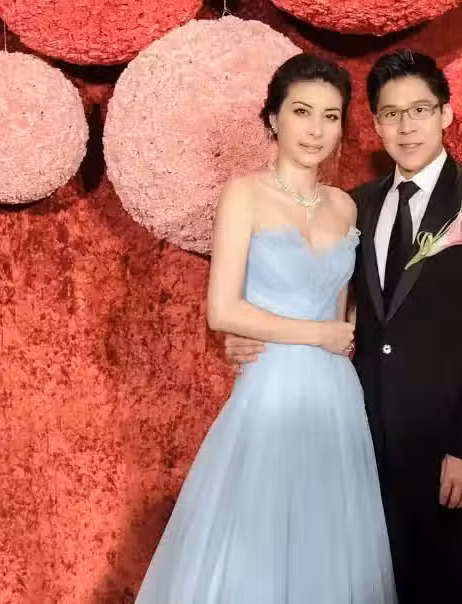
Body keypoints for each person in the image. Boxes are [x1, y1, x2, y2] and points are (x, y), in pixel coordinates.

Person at [227, 49, 462, 604]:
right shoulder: (354, 207)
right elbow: (332, 302)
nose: (406, 126)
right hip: (357, 442)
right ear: (376, 124)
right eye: (391, 114)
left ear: (445, 113)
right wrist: (251, 333)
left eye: (419, 110)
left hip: (445, 450)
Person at [135, 53, 396, 603]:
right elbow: (223, 310)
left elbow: (342, 307)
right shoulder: (244, 195)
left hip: (336, 396)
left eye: (330, 116)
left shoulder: (345, 208)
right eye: (302, 111)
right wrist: (318, 335)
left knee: (328, 547)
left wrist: (339, 330)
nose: (316, 129)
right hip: (271, 389)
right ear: (274, 118)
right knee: (257, 544)